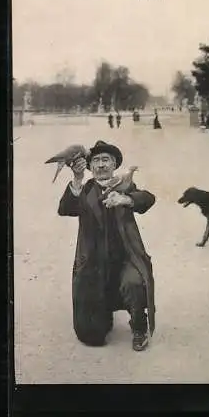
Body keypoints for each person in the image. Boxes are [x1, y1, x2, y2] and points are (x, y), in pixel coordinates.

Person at [57, 140, 156, 351]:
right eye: (96, 161)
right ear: (90, 167)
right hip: (94, 262)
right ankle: (102, 316)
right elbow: (65, 208)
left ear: (114, 165)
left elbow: (147, 199)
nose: (101, 165)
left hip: (125, 258)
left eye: (106, 160)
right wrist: (76, 178)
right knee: (92, 336)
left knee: (135, 283)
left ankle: (139, 325)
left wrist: (126, 199)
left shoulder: (124, 185)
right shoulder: (85, 190)